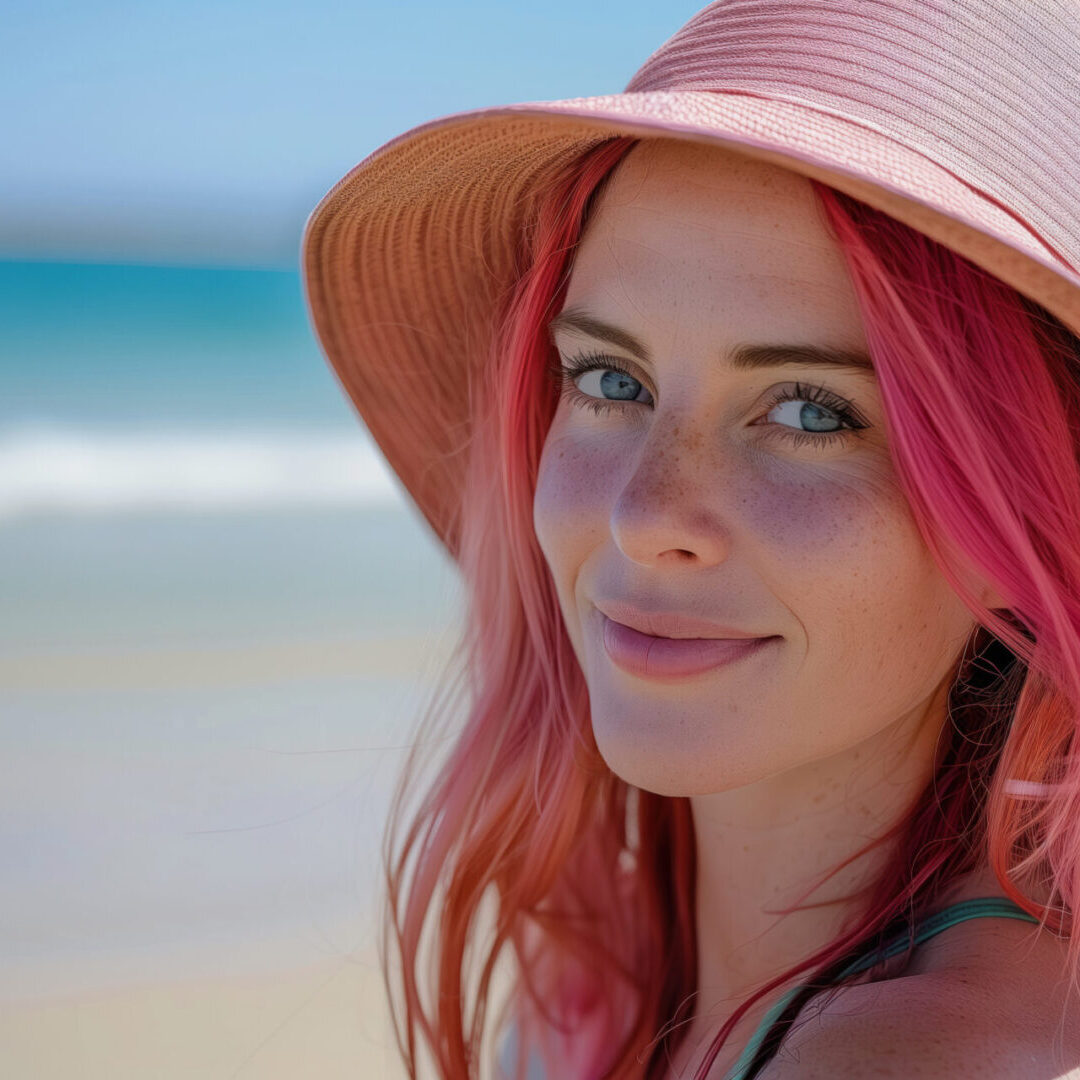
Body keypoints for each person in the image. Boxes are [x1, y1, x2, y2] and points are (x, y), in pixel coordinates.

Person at [301, 3, 1080, 1077]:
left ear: (1032, 504)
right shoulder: (597, 982)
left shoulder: (915, 1057)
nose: (645, 516)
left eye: (810, 411)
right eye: (611, 381)